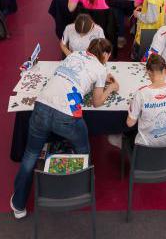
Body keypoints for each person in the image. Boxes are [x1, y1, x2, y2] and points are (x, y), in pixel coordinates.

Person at [11, 38, 118, 218]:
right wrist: (111, 87)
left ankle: (18, 204)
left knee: (30, 154)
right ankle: (83, 187)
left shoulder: (75, 54)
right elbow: (97, 102)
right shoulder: (101, 68)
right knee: (83, 149)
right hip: (67, 116)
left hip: (41, 106)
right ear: (106, 55)